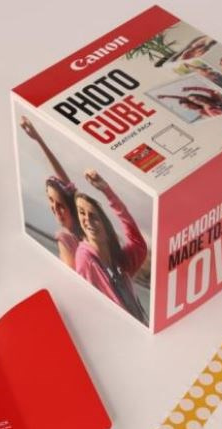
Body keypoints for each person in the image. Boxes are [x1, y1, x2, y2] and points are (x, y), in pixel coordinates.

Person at [74, 169, 148, 324]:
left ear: (105, 221)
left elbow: (138, 243)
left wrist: (108, 192)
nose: (87, 220)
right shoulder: (85, 258)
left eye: (93, 215)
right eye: (81, 213)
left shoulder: (120, 264)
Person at [19, 116, 82, 268]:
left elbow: (66, 182)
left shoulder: (66, 237)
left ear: (71, 205)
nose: (54, 208)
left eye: (60, 204)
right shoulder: (85, 236)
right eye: (51, 201)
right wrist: (38, 139)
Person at [158, 85, 222, 119]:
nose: (197, 100)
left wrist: (190, 88)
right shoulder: (204, 110)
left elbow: (207, 90)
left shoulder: (215, 98)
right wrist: (166, 96)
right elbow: (183, 99)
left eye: (197, 97)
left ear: (201, 96)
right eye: (194, 100)